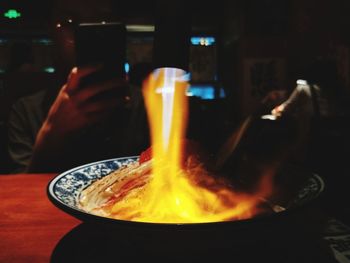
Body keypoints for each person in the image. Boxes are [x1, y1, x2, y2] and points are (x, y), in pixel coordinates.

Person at [7, 5, 150, 173]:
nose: (82, 34)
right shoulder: (25, 111)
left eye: (102, 21)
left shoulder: (146, 105)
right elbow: (20, 194)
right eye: (69, 22)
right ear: (51, 31)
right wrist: (52, 134)